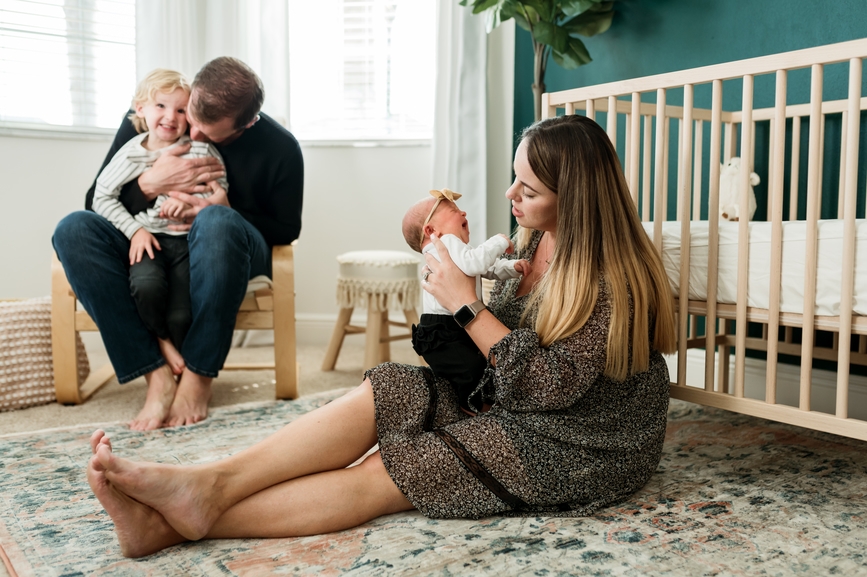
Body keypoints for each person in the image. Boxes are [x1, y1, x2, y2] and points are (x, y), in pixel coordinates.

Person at [85, 114, 677, 558]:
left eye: (528, 190)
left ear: (572, 196)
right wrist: (446, 318)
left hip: (583, 438)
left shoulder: (610, 278)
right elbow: (507, 359)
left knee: (399, 468)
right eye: (513, 180)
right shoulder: (532, 240)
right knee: (386, 388)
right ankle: (207, 484)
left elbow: (549, 386)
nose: (509, 197)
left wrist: (465, 305)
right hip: (516, 397)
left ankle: (170, 523)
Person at [53, 57, 303, 431]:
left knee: (216, 220)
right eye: (192, 118)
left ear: (247, 123)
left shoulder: (281, 148)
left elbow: (285, 230)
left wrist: (227, 208)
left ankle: (198, 376)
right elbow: (97, 200)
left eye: (208, 131)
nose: (193, 134)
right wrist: (148, 184)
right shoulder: (153, 118)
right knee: (73, 228)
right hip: (151, 238)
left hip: (232, 247)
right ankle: (154, 372)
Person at [92, 68, 228, 376]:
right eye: (161, 106)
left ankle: (182, 369)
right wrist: (135, 230)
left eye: (181, 109)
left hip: (187, 243)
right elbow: (100, 198)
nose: (171, 116)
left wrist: (190, 202)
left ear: (191, 114)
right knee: (146, 287)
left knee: (181, 313)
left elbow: (220, 188)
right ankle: (160, 340)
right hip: (148, 240)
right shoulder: (129, 155)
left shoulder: (201, 150)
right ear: (140, 109)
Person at [402, 187, 530, 412]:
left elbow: (485, 268)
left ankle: (460, 403)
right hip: (445, 328)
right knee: (469, 369)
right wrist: (499, 242)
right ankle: (467, 407)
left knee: (466, 369)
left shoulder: (454, 249)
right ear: (432, 230)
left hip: (449, 326)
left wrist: (511, 267)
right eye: (453, 210)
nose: (463, 214)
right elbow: (477, 264)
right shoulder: (445, 243)